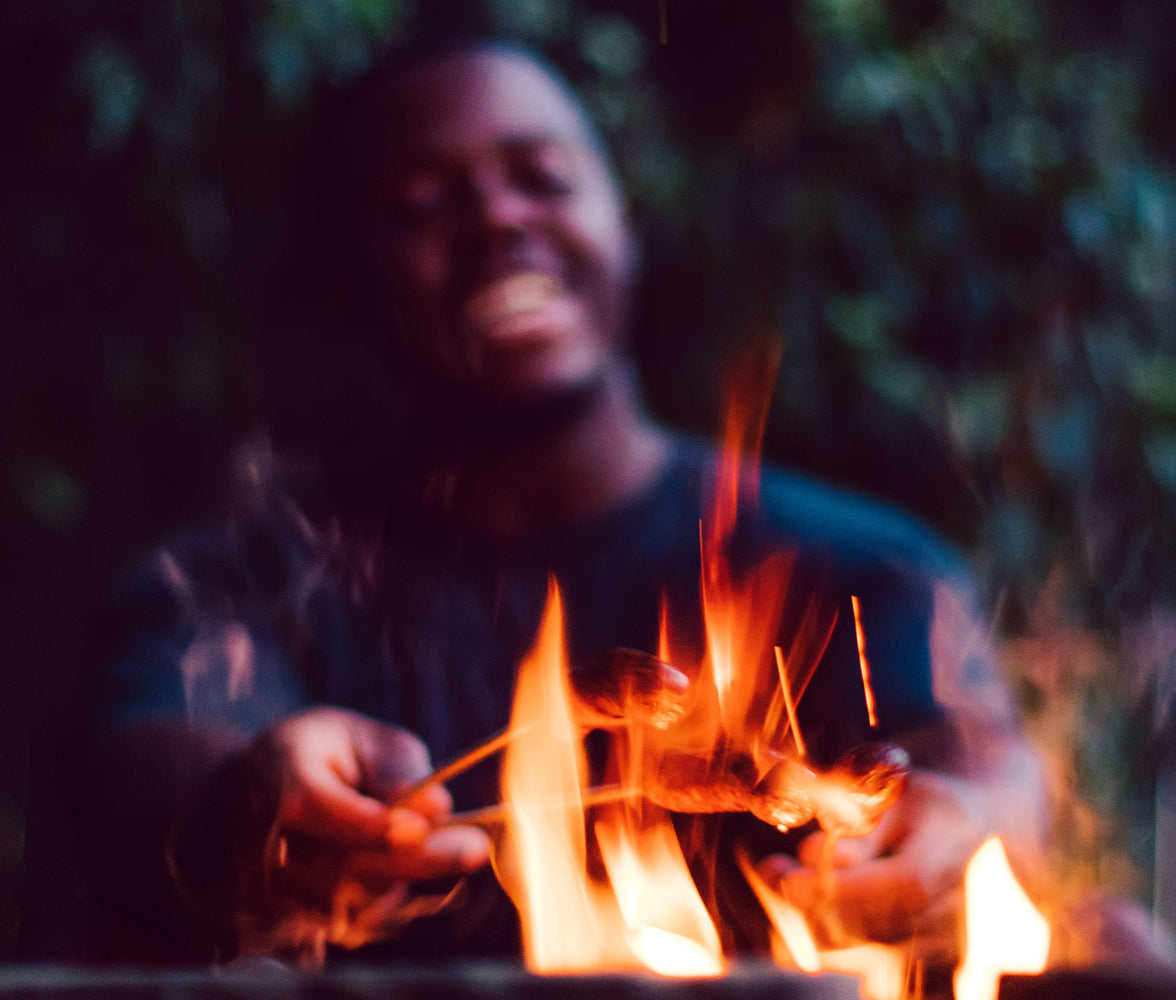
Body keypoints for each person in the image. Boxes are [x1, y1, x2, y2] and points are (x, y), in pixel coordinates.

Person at [77, 37, 1048, 968]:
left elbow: (992, 778)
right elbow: (153, 774)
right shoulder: (231, 583)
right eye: (421, 204)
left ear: (621, 219)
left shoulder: (863, 568)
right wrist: (244, 814)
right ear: (351, 283)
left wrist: (965, 827)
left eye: (541, 178)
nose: (498, 220)